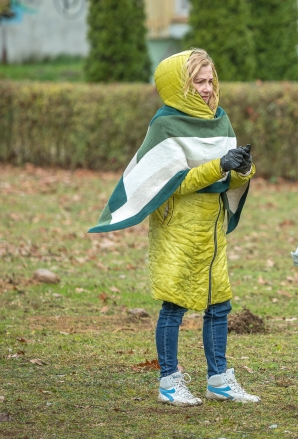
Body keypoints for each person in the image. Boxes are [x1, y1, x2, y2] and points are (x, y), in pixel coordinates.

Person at [89, 49, 259, 406]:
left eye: (211, 80)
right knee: (175, 306)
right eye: (198, 81)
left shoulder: (220, 119)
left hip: (211, 229)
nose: (208, 88)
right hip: (178, 228)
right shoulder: (165, 125)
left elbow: (228, 179)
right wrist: (219, 166)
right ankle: (169, 381)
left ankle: (219, 380)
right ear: (180, 85)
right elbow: (173, 183)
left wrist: (241, 168)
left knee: (219, 305)